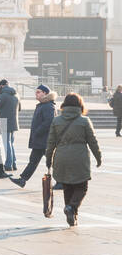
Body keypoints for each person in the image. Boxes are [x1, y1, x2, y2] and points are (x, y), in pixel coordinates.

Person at [45, 93, 102, 226]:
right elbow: (93, 141)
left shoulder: (56, 121)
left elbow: (50, 143)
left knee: (67, 187)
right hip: (79, 157)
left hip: (61, 157)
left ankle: (72, 215)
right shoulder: (84, 121)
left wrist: (48, 159)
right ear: (80, 105)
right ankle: (71, 207)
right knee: (82, 187)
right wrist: (98, 157)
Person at [11, 85, 56, 188]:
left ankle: (62, 181)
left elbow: (49, 121)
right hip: (40, 140)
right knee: (33, 161)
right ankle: (22, 180)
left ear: (45, 93)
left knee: (52, 162)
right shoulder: (42, 105)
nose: (36, 94)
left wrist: (38, 131)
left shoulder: (48, 106)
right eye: (36, 92)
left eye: (38, 92)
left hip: (45, 140)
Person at [0, 79, 21, 172]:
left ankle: (8, 164)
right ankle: (13, 163)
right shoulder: (16, 95)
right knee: (11, 143)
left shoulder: (3, 95)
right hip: (14, 121)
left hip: (4, 120)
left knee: (7, 144)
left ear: (1, 86)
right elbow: (19, 108)